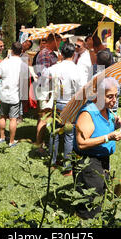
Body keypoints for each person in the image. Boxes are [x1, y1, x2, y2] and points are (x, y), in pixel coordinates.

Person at [72, 77, 121, 219]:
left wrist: (117, 126)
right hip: (88, 162)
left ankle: (94, 218)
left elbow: (101, 130)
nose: (114, 100)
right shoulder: (88, 113)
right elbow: (81, 143)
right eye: (110, 96)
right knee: (89, 198)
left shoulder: (107, 110)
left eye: (116, 95)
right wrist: (108, 137)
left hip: (102, 159)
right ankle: (85, 221)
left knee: (99, 192)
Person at [43, 43, 82, 175]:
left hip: (57, 103)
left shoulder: (55, 68)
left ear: (61, 54)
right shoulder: (77, 69)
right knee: (68, 136)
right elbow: (80, 90)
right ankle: (67, 166)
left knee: (55, 133)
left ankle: (52, 162)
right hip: (70, 104)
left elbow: (44, 80)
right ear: (74, 54)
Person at [0, 42, 28, 147]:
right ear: (21, 51)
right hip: (15, 95)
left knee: (2, 116)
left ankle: (2, 137)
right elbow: (25, 81)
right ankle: (11, 141)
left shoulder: (5, 62)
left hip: (4, 93)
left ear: (12, 50)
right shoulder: (23, 64)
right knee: (13, 119)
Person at [34, 33, 61, 149]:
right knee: (44, 118)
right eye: (59, 42)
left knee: (44, 117)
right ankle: (39, 145)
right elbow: (44, 73)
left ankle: (41, 141)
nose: (60, 44)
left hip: (48, 90)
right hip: (45, 90)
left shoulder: (51, 54)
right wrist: (58, 67)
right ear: (53, 41)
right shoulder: (45, 54)